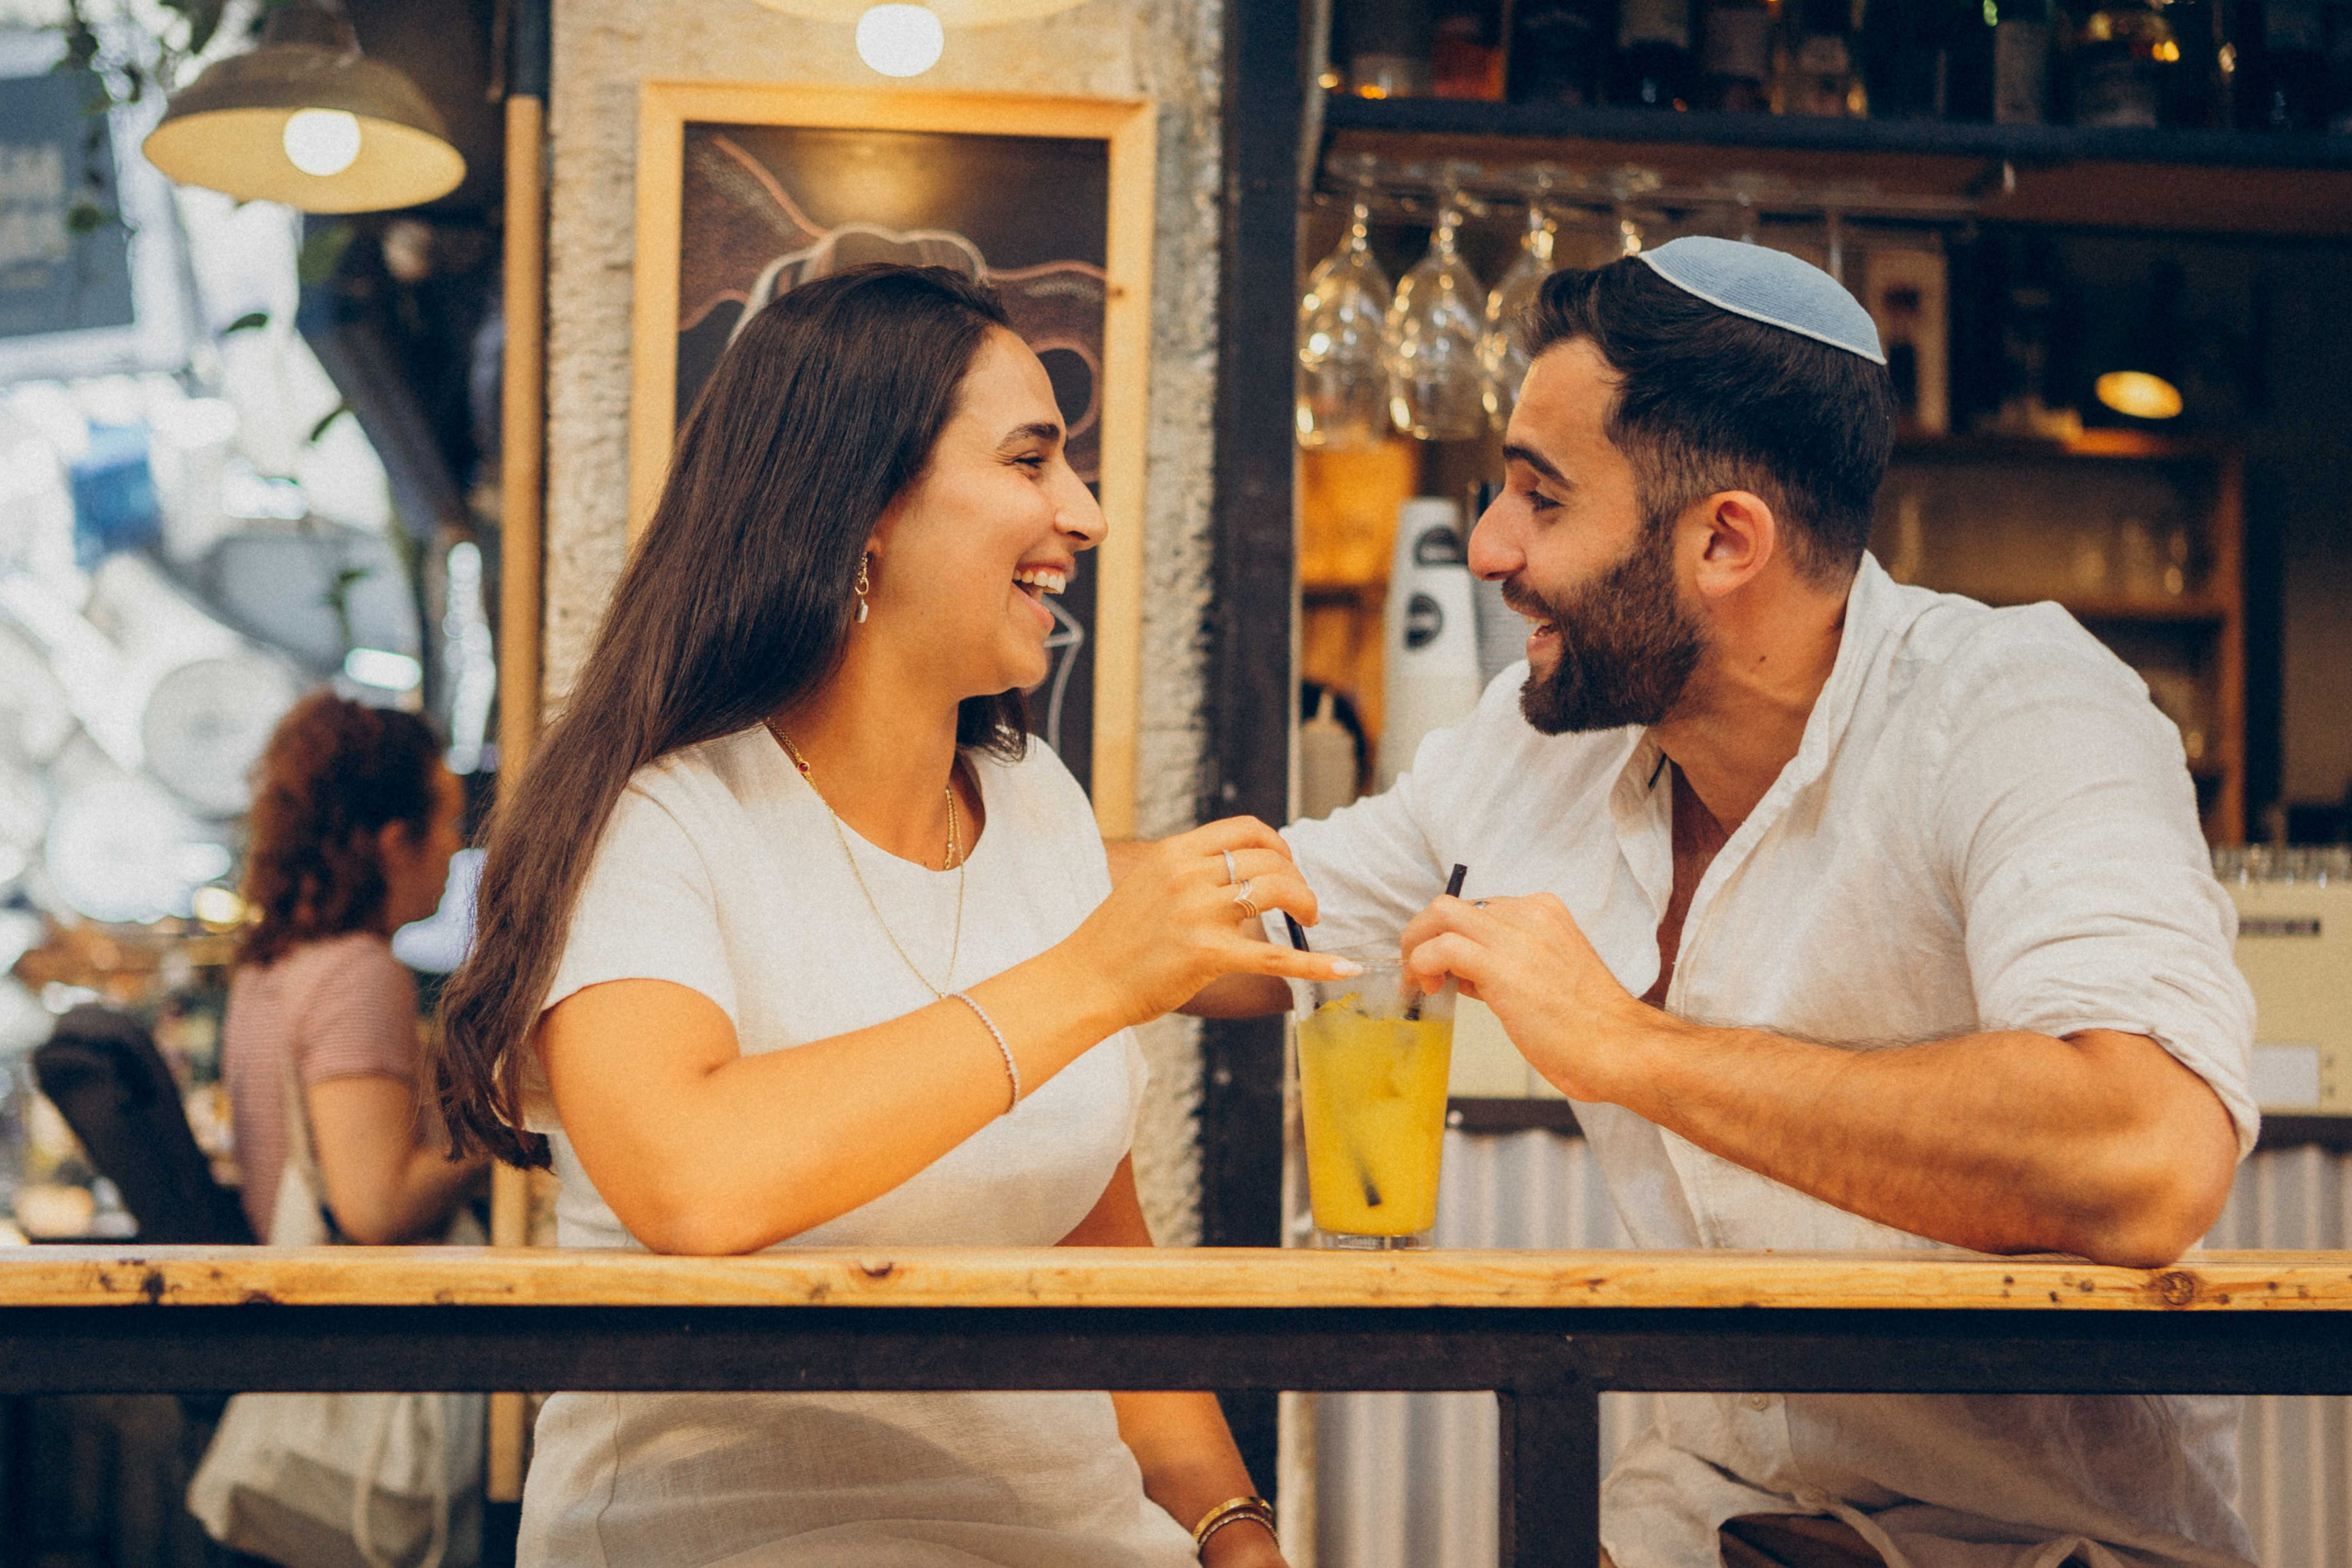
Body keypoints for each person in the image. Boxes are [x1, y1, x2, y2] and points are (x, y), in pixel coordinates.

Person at [1182, 239, 2258, 1568]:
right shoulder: (1538, 744)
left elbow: (2144, 1151)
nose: (1493, 547)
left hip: (2045, 1545)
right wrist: (938, 822)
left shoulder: (2019, 704)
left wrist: (1633, 1046)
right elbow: (1247, 914)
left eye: (1542, 496)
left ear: (1725, 538)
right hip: (1708, 1521)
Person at [432, 265, 1349, 1568]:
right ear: (861, 509)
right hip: (728, 1535)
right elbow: (690, 1177)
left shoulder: (1038, 806)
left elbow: (1098, 1263)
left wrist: (1236, 1529)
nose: (1081, 512)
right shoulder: (657, 821)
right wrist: (1096, 972)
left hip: (1070, 1537)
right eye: (1031, 459)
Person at [223, 692, 486, 1247]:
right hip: (356, 1323)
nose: (456, 847)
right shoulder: (358, 974)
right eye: (447, 821)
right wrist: (508, 1139)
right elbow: (376, 1208)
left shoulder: (272, 967)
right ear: (395, 842)